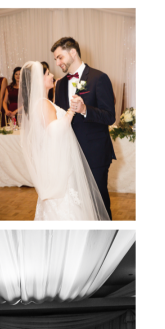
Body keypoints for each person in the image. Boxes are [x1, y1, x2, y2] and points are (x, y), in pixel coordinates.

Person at [17, 60, 109, 220]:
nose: (52, 75)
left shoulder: (43, 102)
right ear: (39, 80)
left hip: (58, 160)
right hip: (58, 163)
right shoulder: (42, 104)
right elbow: (55, 131)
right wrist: (72, 111)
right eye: (47, 74)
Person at [51, 37, 117, 219]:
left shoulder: (99, 78)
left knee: (99, 205)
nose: (57, 63)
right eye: (56, 59)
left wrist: (86, 109)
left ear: (73, 53)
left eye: (59, 57)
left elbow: (110, 116)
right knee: (77, 206)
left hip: (95, 154)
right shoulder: (61, 84)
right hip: (70, 156)